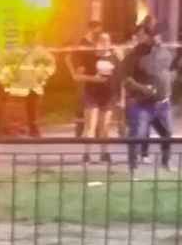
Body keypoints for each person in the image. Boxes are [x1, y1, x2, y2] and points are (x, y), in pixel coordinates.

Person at [120, 25, 174, 172]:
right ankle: (133, 167)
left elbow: (171, 69)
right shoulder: (134, 55)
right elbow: (125, 79)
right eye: (153, 36)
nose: (157, 39)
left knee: (167, 133)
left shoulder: (165, 52)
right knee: (138, 136)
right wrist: (142, 88)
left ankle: (166, 162)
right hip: (142, 104)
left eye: (159, 35)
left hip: (163, 103)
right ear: (147, 37)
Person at [81, 33, 120, 164]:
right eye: (102, 40)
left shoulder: (115, 58)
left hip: (108, 95)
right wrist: (93, 79)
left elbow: (121, 77)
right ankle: (87, 154)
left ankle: (105, 153)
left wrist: (122, 97)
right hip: (92, 93)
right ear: (97, 42)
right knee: (91, 125)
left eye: (107, 40)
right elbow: (78, 76)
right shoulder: (89, 57)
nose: (104, 43)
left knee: (105, 126)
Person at [66, 20, 105, 138]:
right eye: (96, 31)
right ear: (91, 29)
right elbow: (69, 58)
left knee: (95, 107)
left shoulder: (97, 44)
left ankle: (95, 132)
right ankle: (80, 132)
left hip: (97, 81)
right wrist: (75, 72)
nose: (98, 34)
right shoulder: (83, 44)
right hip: (86, 81)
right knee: (83, 106)